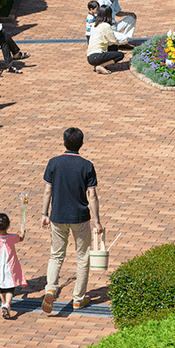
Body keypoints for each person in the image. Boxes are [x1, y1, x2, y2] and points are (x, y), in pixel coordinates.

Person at [40, 128, 104, 313]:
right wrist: (97, 220)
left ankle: (51, 288)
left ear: (64, 142)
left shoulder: (53, 163)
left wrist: (45, 214)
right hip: (80, 217)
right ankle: (78, 298)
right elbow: (92, 195)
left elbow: (47, 191)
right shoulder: (87, 166)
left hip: (57, 216)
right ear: (81, 144)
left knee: (56, 255)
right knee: (83, 257)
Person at [0, 213, 27, 319]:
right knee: (10, 287)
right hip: (11, 267)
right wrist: (22, 232)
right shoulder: (12, 237)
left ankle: (3, 302)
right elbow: (21, 238)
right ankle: (7, 304)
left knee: (1, 287)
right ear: (8, 226)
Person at [87, 5, 126, 75]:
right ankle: (101, 66)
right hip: (97, 56)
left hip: (90, 57)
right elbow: (114, 41)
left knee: (111, 47)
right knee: (120, 55)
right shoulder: (106, 25)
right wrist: (123, 43)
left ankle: (97, 65)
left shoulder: (94, 24)